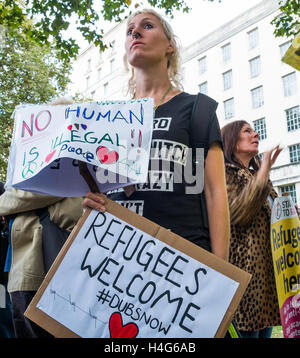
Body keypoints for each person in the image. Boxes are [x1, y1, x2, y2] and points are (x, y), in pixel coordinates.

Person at [84, 9, 230, 262]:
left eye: (147, 26)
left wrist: (221, 274)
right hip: (118, 259)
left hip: (184, 261)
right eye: (129, 31)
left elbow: (216, 193)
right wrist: (90, 203)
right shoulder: (109, 118)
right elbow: (100, 192)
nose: (135, 33)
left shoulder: (198, 109)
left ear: (170, 46)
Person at [0, 98, 84, 338]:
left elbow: (24, 195)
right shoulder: (33, 168)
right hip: (22, 273)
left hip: (44, 275)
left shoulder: (68, 172)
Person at [221, 120, 282, 338]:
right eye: (247, 131)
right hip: (245, 283)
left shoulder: (260, 176)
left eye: (254, 131)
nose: (255, 134)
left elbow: (276, 217)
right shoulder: (225, 172)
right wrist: (264, 167)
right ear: (231, 140)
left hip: (267, 281)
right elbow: (240, 213)